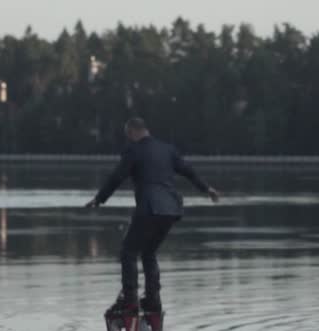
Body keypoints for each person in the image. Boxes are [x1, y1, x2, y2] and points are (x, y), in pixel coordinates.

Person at [85, 117, 219, 318]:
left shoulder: (134, 150)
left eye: (128, 135)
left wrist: (99, 199)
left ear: (132, 132)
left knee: (128, 252)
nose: (128, 139)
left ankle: (130, 301)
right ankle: (153, 300)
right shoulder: (168, 149)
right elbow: (188, 171)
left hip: (149, 208)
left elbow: (116, 177)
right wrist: (206, 189)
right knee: (148, 252)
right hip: (171, 210)